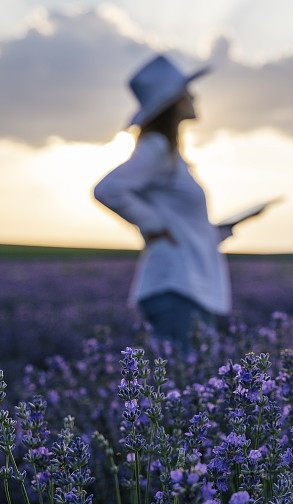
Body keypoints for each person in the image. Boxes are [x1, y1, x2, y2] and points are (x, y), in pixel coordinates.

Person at [93, 54, 234, 356]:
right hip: (176, 287)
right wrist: (154, 225)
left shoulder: (172, 156)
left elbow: (181, 223)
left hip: (189, 286)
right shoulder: (156, 148)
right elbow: (108, 189)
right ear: (173, 101)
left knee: (192, 381)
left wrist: (215, 232)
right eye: (186, 90)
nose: (194, 95)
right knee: (183, 386)